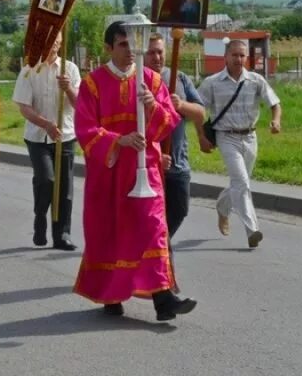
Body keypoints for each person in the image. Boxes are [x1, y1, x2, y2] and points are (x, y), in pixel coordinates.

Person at [73, 21, 197, 321]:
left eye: (132, 44)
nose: (129, 51)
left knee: (153, 228)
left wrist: (153, 106)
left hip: (147, 169)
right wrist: (120, 140)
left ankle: (163, 298)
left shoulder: (152, 82)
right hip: (111, 171)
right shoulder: (93, 84)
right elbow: (85, 129)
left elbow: (169, 123)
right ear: (109, 47)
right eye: (122, 45)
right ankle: (111, 294)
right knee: (112, 232)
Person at [198, 39, 282, 249]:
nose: (238, 59)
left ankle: (222, 207)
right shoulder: (212, 82)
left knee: (240, 183)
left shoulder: (255, 80)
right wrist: (201, 136)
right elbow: (198, 110)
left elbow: (275, 103)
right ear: (225, 56)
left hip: (250, 137)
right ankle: (252, 229)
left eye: (242, 55)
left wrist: (276, 120)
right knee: (242, 183)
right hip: (226, 137)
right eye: (234, 55)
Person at [12, 31, 80, 251]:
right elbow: (24, 107)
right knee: (46, 179)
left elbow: (81, 104)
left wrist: (68, 88)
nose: (54, 47)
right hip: (38, 136)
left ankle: (62, 234)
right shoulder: (29, 69)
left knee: (65, 187)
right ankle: (40, 217)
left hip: (65, 135)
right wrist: (46, 125)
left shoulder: (69, 69)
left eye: (57, 42)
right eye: (50, 42)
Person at [144, 33, 205, 238]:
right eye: (151, 52)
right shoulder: (138, 82)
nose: (156, 57)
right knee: (152, 216)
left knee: (180, 210)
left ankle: (159, 244)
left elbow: (200, 112)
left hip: (178, 163)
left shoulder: (178, 78)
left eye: (159, 52)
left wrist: (181, 105)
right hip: (151, 164)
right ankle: (159, 252)